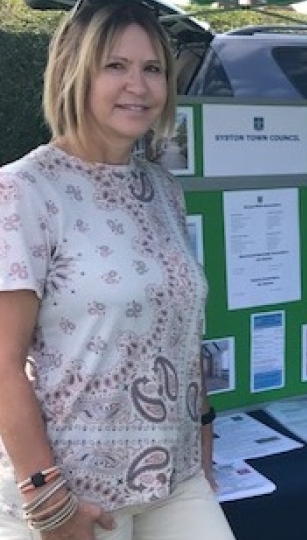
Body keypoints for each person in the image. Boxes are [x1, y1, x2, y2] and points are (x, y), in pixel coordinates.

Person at [0, 2, 236, 540]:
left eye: (152, 68)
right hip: (76, 494)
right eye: (115, 66)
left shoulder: (162, 190)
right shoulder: (23, 190)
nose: (139, 85)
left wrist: (202, 435)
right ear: (74, 71)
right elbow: (2, 364)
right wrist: (50, 502)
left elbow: (181, 327)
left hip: (173, 480)